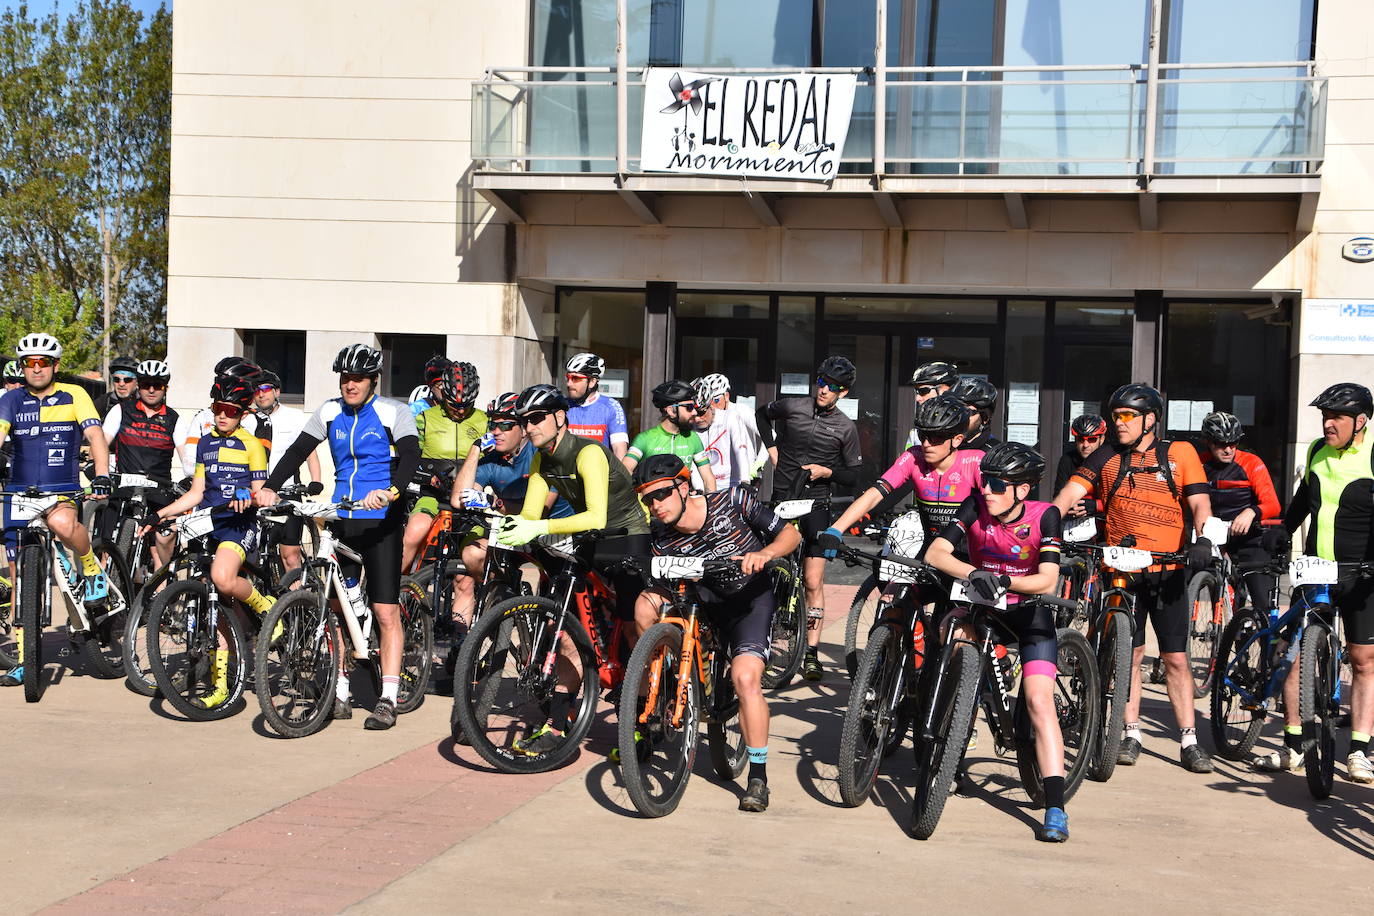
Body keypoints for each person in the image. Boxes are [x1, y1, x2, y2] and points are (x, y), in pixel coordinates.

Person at [255, 343, 422, 731]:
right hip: (342, 515)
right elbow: (298, 450)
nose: (350, 384)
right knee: (336, 608)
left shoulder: (392, 412)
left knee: (384, 611)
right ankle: (341, 690)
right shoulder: (329, 411)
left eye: (358, 378)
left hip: (381, 516)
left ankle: (388, 698)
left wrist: (392, 490)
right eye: (345, 378)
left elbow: (411, 456)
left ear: (373, 380)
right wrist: (270, 486)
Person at [1053, 383, 1216, 773]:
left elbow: (1199, 502)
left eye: (1127, 416)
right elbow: (1070, 491)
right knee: (1133, 655)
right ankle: (1130, 731)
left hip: (1167, 570)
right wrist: (1044, 521)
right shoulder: (1107, 455)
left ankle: (1189, 739)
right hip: (1121, 569)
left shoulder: (1179, 454)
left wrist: (1204, 537)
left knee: (1176, 659)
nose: (1118, 423)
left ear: (1150, 420)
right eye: (1116, 415)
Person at [630, 453, 801, 812]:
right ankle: (663, 693)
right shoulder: (660, 533)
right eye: (648, 500)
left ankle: (757, 777)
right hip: (702, 604)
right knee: (644, 606)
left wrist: (766, 554)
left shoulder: (732, 501)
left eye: (661, 494)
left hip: (749, 601)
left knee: (744, 679)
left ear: (683, 486)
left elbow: (791, 535)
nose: (656, 506)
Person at [492, 383, 650, 756]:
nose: (529, 427)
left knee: (632, 626)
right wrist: (514, 529)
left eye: (536, 419)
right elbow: (532, 515)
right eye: (524, 421)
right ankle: (558, 725)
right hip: (589, 536)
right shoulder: (540, 458)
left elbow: (595, 514)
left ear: (560, 417)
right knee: (564, 629)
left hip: (627, 533)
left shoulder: (588, 452)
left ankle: (643, 722)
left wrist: (540, 528)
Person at [925, 442, 1071, 842]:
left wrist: (1007, 581)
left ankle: (1056, 806)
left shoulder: (1046, 515)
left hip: (1029, 615)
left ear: (1022, 490)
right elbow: (936, 553)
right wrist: (974, 573)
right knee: (951, 639)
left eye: (995, 483)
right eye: (983, 480)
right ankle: (958, 730)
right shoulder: (975, 506)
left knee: (1039, 700)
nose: (985, 489)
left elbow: (1046, 579)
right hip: (982, 608)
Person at [140, 373, 273, 709]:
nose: (222, 414)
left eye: (230, 409)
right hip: (209, 525)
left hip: (240, 525)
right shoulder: (206, 443)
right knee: (214, 608)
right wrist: (162, 514)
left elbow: (261, 493)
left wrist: (248, 494)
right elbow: (197, 493)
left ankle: (266, 607)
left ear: (243, 412)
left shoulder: (251, 444)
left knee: (222, 578)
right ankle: (219, 683)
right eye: (218, 407)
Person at [0, 334, 112, 687]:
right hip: (19, 491)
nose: (36, 368)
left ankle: (91, 567)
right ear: (22, 367)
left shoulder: (75, 395)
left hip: (62, 488)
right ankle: (22, 657)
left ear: (55, 366)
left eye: (42, 362)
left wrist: (103, 474)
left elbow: (95, 437)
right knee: (19, 575)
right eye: (29, 363)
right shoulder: (11, 399)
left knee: (64, 523)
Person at [1281, 383, 1374, 784]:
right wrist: (1281, 530)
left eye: (1336, 417)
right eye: (1325, 416)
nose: (1328, 424)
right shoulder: (1317, 449)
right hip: (1318, 568)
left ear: (1361, 422)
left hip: (1362, 571)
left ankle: (1359, 750)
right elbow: (1305, 498)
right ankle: (1294, 743)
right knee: (1298, 652)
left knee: (1363, 660)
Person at [756, 356, 862, 682]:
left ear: (843, 392)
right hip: (784, 500)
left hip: (816, 504)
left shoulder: (846, 427)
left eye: (832, 387)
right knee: (770, 573)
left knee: (813, 581)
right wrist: (772, 450)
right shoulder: (793, 406)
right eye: (822, 382)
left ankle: (812, 652)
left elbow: (853, 476)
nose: (824, 390)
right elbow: (761, 414)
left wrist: (827, 471)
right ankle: (765, 642)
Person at [448, 391, 572, 629]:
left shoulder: (540, 452)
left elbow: (543, 508)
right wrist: (475, 450)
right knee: (472, 554)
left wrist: (495, 504)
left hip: (552, 535)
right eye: (493, 424)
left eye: (505, 425)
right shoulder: (492, 458)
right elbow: (457, 499)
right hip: (514, 532)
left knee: (552, 623)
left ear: (524, 428)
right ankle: (506, 589)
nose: (496, 431)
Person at [401, 360, 486, 571]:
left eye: (465, 406)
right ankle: (388, 591)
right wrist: (426, 476)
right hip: (433, 496)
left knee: (465, 577)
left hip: (470, 504)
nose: (459, 411)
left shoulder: (485, 421)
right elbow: (409, 458)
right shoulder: (424, 419)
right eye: (453, 404)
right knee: (414, 532)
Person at [101, 359, 181, 569]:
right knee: (105, 546)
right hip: (124, 486)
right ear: (139, 385)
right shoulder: (120, 410)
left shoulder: (174, 419)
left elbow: (187, 456)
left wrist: (191, 477)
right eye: (146, 384)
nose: (152, 390)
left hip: (159, 487)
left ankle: (161, 593)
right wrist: (98, 468)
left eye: (158, 385)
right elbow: (101, 442)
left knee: (164, 541)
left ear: (166, 388)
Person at [250, 369, 321, 573]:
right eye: (256, 390)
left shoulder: (295, 417)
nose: (261, 394)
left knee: (289, 555)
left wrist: (316, 481)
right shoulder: (248, 420)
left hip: (288, 492)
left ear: (277, 392)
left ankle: (296, 601)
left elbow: (309, 453)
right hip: (257, 493)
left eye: (265, 389)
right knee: (255, 552)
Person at [623, 379, 717, 493]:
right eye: (689, 407)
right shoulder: (644, 439)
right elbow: (625, 470)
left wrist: (710, 506)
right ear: (671, 411)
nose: (694, 413)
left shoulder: (693, 438)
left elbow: (708, 478)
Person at [175, 357, 262, 477]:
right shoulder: (202, 416)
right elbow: (189, 467)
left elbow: (260, 466)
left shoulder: (261, 421)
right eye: (218, 380)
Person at [692, 373, 766, 489]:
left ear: (726, 396)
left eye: (716, 400)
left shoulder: (740, 410)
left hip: (746, 473)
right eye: (709, 400)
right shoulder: (705, 418)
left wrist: (758, 464)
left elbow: (770, 435)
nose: (713, 405)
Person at [563, 352, 629, 459]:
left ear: (592, 382)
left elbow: (620, 452)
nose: (569, 383)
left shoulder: (611, 407)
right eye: (568, 377)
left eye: (575, 378)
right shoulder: (562, 406)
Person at [1054, 414, 1108, 522]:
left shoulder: (1111, 460)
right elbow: (1058, 495)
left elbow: (1121, 503)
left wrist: (1096, 505)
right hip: (1074, 523)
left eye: (1092, 439)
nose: (1085, 445)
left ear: (1102, 439)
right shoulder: (1067, 460)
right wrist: (1070, 506)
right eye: (1080, 439)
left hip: (1104, 523)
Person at [904, 361, 960, 447]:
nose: (917, 398)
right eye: (916, 392)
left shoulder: (966, 427)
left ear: (945, 390)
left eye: (923, 391)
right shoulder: (915, 433)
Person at [949, 376, 1000, 451]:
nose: (957, 416)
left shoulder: (994, 453)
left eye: (965, 412)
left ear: (985, 418)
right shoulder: (939, 446)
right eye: (953, 409)